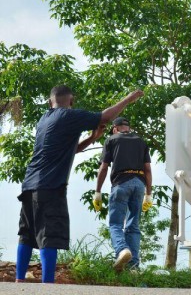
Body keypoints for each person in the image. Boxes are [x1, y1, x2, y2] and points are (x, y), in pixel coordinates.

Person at [15, 85, 144, 284]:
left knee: (26, 234)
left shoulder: (44, 119)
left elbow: (70, 149)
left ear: (50, 102)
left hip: (29, 184)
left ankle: (19, 282)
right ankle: (48, 286)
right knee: (50, 235)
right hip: (51, 187)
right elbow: (105, 118)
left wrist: (92, 138)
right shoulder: (68, 116)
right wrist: (129, 98)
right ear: (71, 101)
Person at [93, 116, 152, 271]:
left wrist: (97, 191)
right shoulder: (141, 141)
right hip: (139, 185)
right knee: (134, 226)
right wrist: (149, 193)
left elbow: (104, 167)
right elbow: (148, 169)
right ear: (128, 128)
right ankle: (133, 267)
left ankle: (122, 250)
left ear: (115, 128)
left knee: (115, 224)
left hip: (121, 184)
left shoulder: (112, 140)